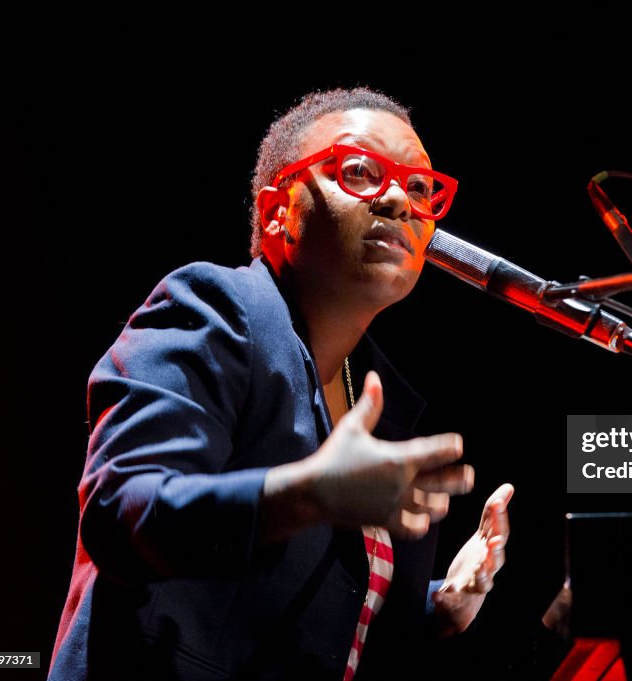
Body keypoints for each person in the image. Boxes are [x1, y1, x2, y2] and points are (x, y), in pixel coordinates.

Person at [49, 87, 513, 681]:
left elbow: (317, 624)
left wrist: (437, 607)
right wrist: (309, 492)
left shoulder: (380, 402)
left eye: (421, 188)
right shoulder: (213, 310)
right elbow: (122, 513)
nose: (399, 198)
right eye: (361, 171)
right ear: (277, 210)